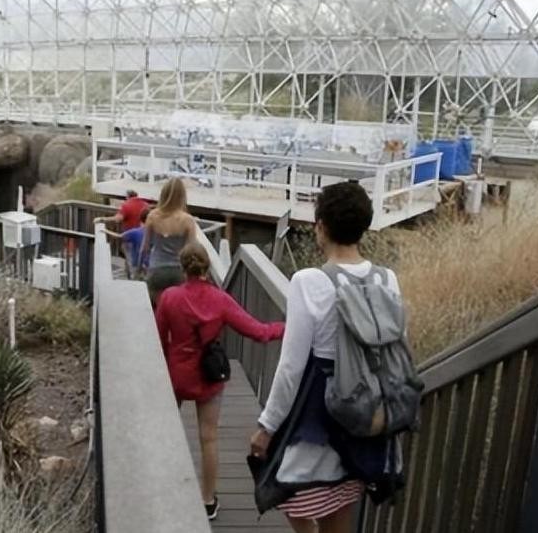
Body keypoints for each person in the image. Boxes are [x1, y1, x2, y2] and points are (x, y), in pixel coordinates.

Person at [249, 182, 401, 533]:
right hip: (366, 415)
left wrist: (267, 426)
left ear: (321, 226)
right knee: (340, 505)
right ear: (364, 227)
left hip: (319, 414)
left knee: (288, 487)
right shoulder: (387, 278)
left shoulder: (309, 281)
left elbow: (291, 366)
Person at [155, 244, 285, 521]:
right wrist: (287, 328)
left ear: (183, 267)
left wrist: (165, 367)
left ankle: (162, 486)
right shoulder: (221, 300)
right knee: (209, 438)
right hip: (208, 375)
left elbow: (159, 338)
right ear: (206, 267)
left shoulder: (169, 297)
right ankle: (207, 500)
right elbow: (259, 332)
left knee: (166, 432)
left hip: (176, 375)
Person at [141, 178, 198, 308]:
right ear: (182, 197)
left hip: (156, 270)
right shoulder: (188, 220)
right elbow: (192, 251)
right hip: (178, 271)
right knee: (176, 309)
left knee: (156, 308)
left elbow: (145, 248)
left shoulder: (152, 216)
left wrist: (140, 268)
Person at [103, 208, 149, 279]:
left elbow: (119, 236)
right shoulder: (155, 232)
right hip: (149, 265)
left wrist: (105, 231)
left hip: (136, 263)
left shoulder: (135, 232)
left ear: (140, 219)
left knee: (136, 280)